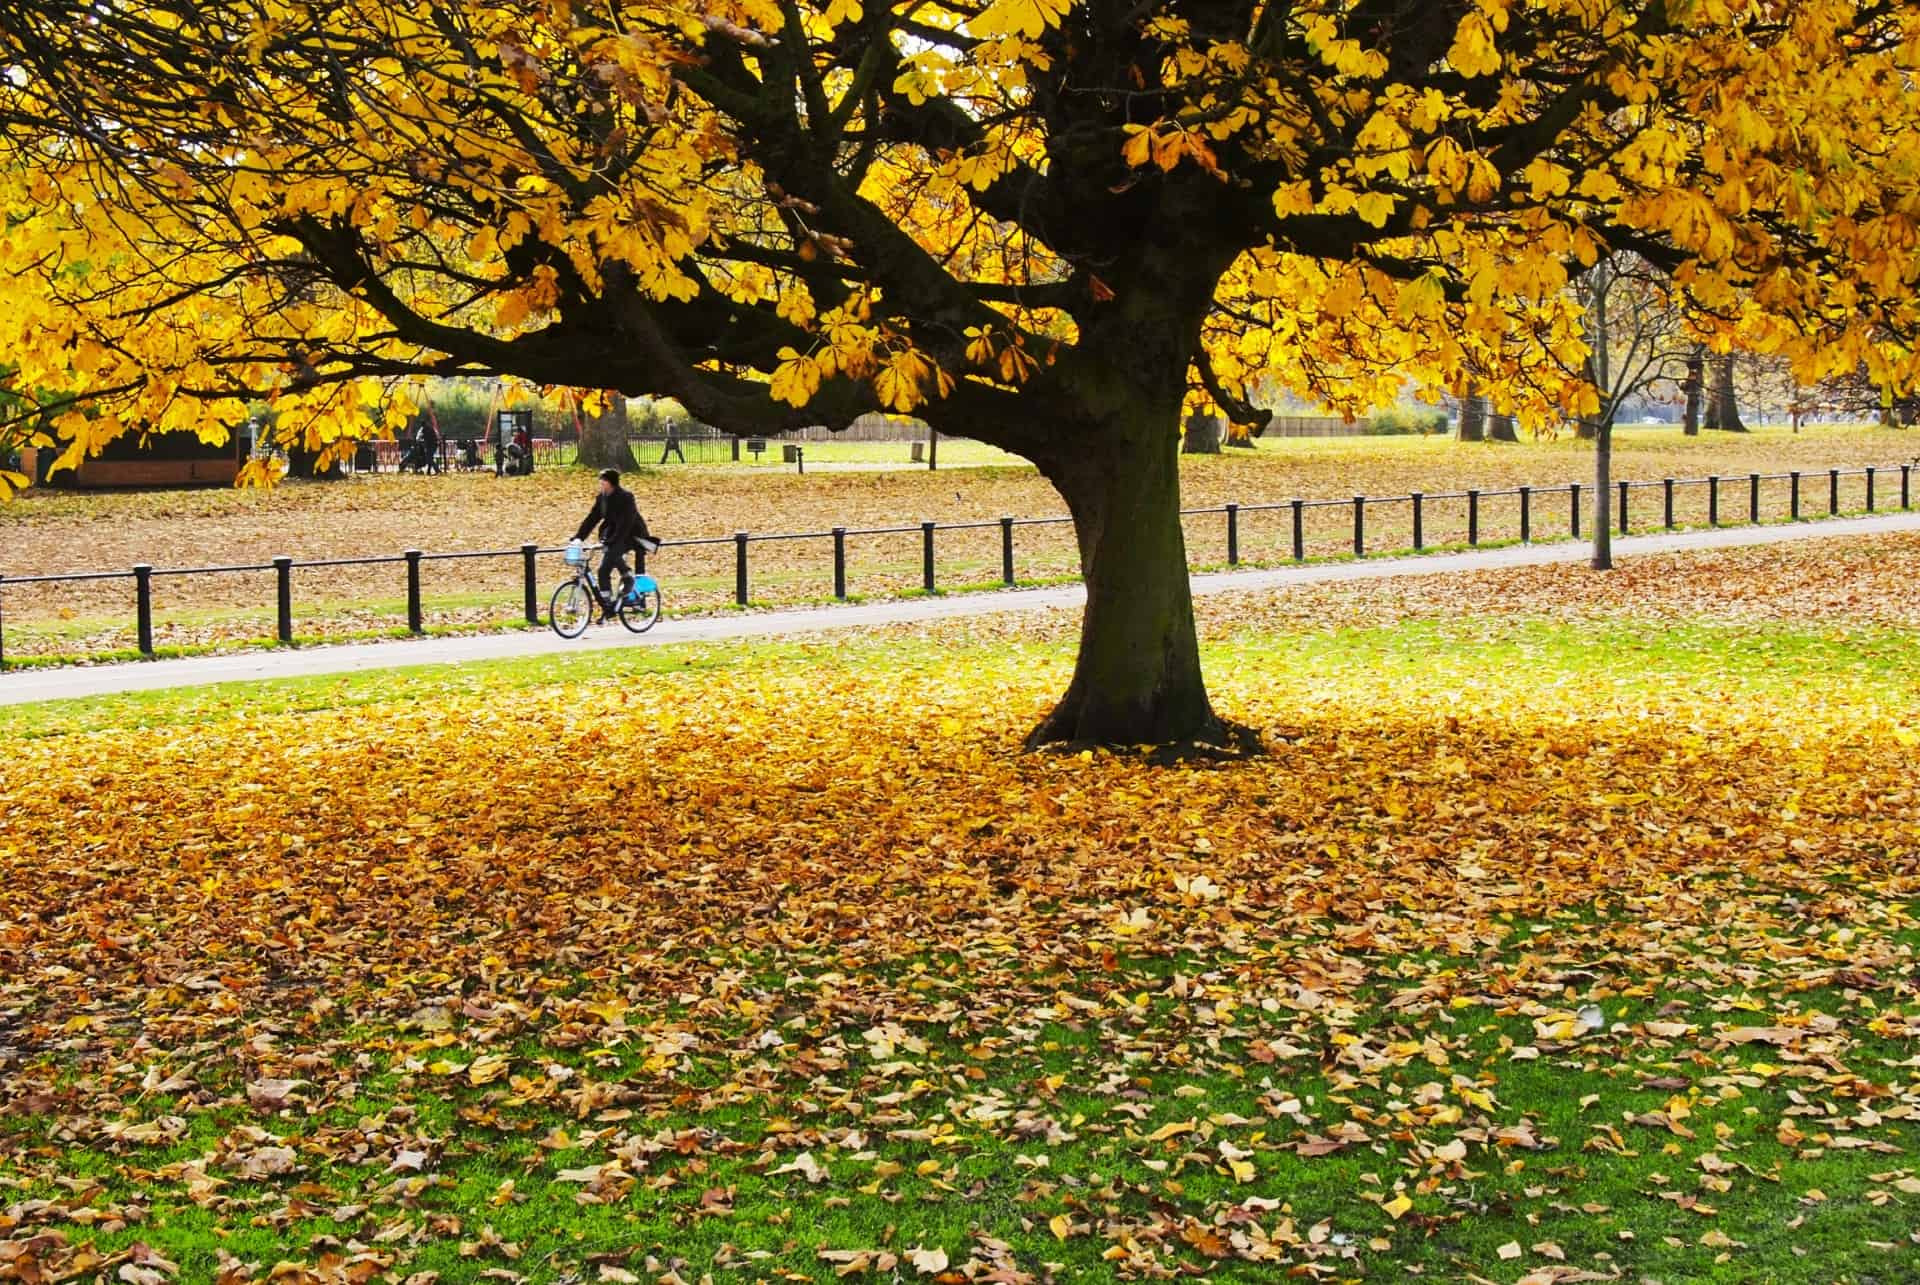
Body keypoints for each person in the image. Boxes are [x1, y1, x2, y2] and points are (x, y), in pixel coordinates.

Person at [574, 468, 652, 611]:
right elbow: (592, 519)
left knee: (613, 552)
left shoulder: (626, 497)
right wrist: (579, 537)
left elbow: (626, 522)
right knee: (603, 571)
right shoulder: (602, 499)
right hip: (614, 535)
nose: (601, 484)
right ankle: (608, 604)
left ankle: (628, 577)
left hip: (632, 535)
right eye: (601, 481)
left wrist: (612, 541)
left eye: (604, 481)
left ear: (612, 483)